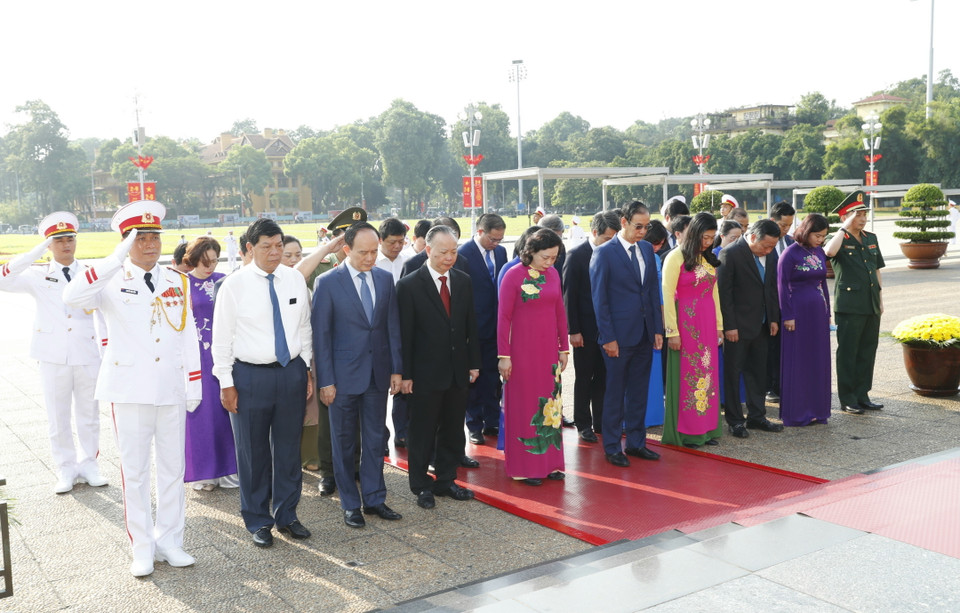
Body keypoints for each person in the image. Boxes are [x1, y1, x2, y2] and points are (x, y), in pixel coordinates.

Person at [63, 200, 201, 577]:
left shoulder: (178, 280)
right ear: (126, 242)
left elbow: (186, 335)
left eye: (155, 235)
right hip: (130, 389)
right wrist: (114, 258)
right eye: (141, 238)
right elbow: (71, 297)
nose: (151, 244)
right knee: (136, 472)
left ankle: (171, 541)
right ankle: (142, 546)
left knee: (172, 469)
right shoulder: (108, 279)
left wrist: (194, 384)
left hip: (171, 388)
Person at [211, 218, 314, 549]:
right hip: (249, 376)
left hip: (291, 373)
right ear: (250, 249)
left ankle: (287, 515)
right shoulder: (235, 285)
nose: (274, 251)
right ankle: (257, 519)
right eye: (266, 246)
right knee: (252, 452)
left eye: (278, 245)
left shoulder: (294, 279)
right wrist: (226, 382)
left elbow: (305, 328)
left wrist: (307, 369)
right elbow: (221, 339)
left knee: (287, 449)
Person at [0, 212, 107, 494]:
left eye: (70, 239)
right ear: (49, 244)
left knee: (89, 413)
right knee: (57, 415)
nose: (66, 245)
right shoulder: (37, 275)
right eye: (58, 240)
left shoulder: (90, 274)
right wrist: (35, 252)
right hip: (52, 354)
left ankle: (89, 464)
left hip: (87, 351)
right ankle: (65, 468)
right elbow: (2, 278)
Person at [312, 222, 404, 528]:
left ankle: (375, 498)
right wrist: (325, 380)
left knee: (376, 439)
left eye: (374, 251)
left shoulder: (384, 277)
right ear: (347, 249)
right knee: (343, 441)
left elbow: (392, 326)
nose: (370, 258)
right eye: (363, 252)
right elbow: (321, 337)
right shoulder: (327, 282)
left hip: (377, 375)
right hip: (341, 378)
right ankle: (350, 503)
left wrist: (396, 368)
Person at [396, 225, 480, 509]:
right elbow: (404, 335)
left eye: (454, 252)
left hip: (457, 369)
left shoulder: (463, 280)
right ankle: (421, 485)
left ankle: (446, 479)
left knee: (453, 428)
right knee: (421, 431)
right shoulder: (409, 285)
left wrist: (474, 363)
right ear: (428, 250)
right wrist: (405, 374)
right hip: (424, 374)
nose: (449, 257)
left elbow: (471, 326)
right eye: (443, 252)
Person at [590, 201, 664, 467]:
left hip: (644, 334)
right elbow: (600, 301)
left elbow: (653, 293)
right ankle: (612, 447)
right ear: (624, 222)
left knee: (638, 392)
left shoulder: (646, 248)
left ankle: (636, 443)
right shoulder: (604, 253)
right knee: (614, 393)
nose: (643, 232)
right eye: (638, 226)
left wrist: (657, 329)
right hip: (617, 338)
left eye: (647, 227)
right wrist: (608, 338)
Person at [296, 209, 359, 496]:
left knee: (360, 415)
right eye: (347, 236)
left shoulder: (374, 268)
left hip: (361, 355)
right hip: (330, 354)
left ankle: (356, 466)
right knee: (328, 417)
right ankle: (328, 472)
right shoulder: (322, 268)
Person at [498, 229, 569, 485]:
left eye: (554, 257)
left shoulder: (553, 275)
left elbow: (560, 310)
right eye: (545, 257)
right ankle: (524, 465)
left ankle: (550, 462)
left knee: (550, 406)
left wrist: (564, 347)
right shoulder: (513, 276)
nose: (550, 262)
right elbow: (503, 318)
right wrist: (504, 355)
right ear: (530, 252)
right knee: (525, 404)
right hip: (521, 352)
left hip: (548, 351)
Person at [717, 219, 784, 439]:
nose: (769, 250)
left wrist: (773, 318)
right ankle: (735, 420)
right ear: (753, 237)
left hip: (763, 324)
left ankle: (757, 416)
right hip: (738, 326)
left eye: (773, 246)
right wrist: (729, 326)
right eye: (765, 246)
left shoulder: (771, 253)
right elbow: (724, 295)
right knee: (734, 374)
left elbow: (772, 288)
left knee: (758, 373)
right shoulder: (730, 254)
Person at [181, 237, 239, 491]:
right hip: (196, 354)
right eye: (205, 262)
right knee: (201, 413)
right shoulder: (182, 283)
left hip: (224, 350)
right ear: (193, 259)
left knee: (226, 411)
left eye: (214, 261)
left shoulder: (225, 280)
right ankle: (204, 472)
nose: (210, 266)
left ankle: (229, 469)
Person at [661, 213, 723, 448]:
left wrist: (719, 326)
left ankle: (706, 428)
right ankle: (688, 432)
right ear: (694, 233)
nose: (708, 242)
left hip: (707, 323)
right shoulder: (675, 257)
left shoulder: (706, 259)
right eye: (705, 237)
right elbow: (667, 295)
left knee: (707, 374)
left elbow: (714, 294)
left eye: (711, 238)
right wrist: (671, 331)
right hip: (686, 324)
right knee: (689, 375)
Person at [823, 190, 885, 414]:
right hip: (849, 306)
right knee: (848, 352)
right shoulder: (837, 238)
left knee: (868, 351)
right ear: (844, 217)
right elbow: (829, 252)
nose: (862, 218)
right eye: (856, 215)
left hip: (870, 303)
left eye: (864, 214)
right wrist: (843, 227)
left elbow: (876, 269)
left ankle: (862, 394)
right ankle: (848, 398)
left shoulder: (871, 238)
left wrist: (880, 298)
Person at [563, 211, 619, 443]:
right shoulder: (577, 255)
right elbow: (569, 296)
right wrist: (573, 330)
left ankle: (600, 422)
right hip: (584, 330)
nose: (611, 243)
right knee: (585, 377)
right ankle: (583, 423)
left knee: (604, 377)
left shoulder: (614, 254)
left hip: (608, 330)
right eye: (607, 238)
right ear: (594, 232)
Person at [458, 213, 508, 446]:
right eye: (493, 239)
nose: (496, 244)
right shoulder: (462, 254)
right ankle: (474, 425)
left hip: (496, 326)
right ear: (480, 232)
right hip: (474, 327)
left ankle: (492, 420)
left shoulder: (500, 252)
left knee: (492, 378)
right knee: (473, 379)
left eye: (500, 239)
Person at [778, 213, 831, 426]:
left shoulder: (819, 252)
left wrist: (828, 311)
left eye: (823, 236)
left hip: (818, 311)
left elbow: (823, 282)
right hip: (797, 312)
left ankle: (818, 409)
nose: (820, 240)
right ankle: (798, 412)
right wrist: (787, 315)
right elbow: (781, 285)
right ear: (806, 232)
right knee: (799, 360)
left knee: (818, 359)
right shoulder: (789, 254)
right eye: (817, 235)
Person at [375, 218, 410, 448]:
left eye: (401, 241)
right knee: (377, 390)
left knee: (403, 385)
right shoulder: (372, 264)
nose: (397, 246)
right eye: (392, 242)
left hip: (404, 334)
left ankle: (403, 432)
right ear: (380, 241)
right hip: (378, 334)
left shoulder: (409, 263)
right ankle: (380, 436)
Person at [767, 201, 797, 403]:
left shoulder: (792, 243)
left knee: (787, 345)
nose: (785, 230)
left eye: (789, 225)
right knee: (771, 347)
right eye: (782, 225)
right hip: (770, 303)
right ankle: (770, 386)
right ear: (772, 221)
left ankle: (785, 383)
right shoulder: (764, 243)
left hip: (789, 302)